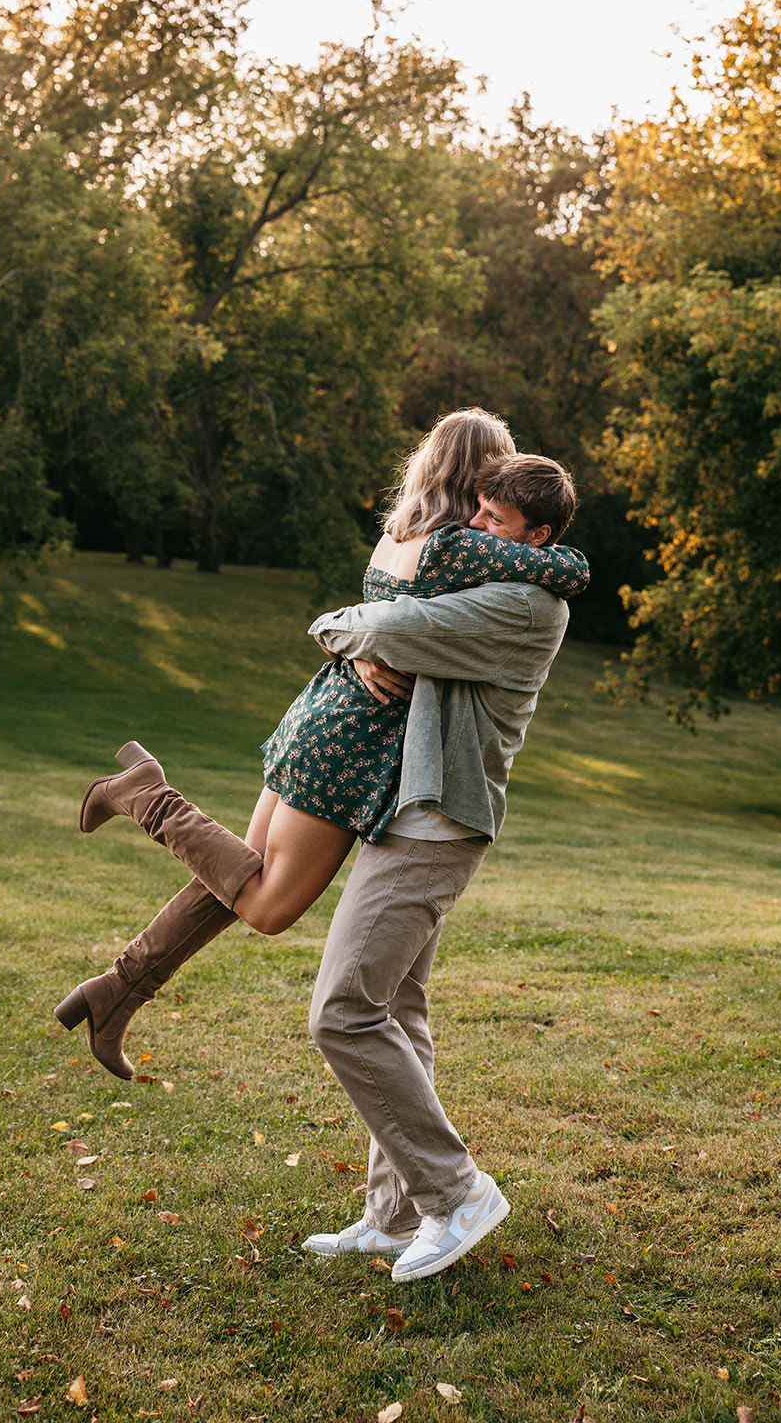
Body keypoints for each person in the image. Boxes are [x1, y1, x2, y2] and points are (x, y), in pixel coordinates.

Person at [54, 414, 588, 1082]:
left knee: (234, 874)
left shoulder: (399, 534)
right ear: (477, 476)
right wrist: (561, 554)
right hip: (354, 741)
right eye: (491, 481)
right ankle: (146, 797)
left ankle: (117, 992)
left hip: (321, 711)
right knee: (269, 904)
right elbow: (554, 571)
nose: (491, 504)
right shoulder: (455, 552)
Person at [299, 452, 580, 1282]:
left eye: (494, 522)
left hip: (436, 825)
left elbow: (382, 629)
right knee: (397, 1009)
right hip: (407, 812)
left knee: (342, 1011)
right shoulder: (484, 582)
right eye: (476, 513)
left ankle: (457, 1193)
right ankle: (392, 1214)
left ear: (541, 536)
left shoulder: (522, 604)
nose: (476, 532)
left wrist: (331, 630)